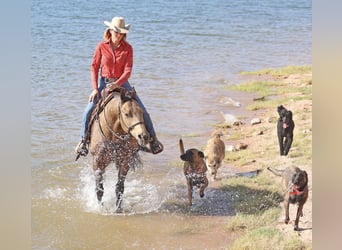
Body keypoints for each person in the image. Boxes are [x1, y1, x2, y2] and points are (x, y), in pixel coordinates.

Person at [75, 16, 163, 158]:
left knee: (142, 111)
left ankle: (153, 141)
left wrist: (118, 83)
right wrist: (94, 88)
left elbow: (128, 71)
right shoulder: (101, 46)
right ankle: (83, 141)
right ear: (110, 30)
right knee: (88, 110)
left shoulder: (128, 49)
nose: (118, 34)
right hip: (104, 82)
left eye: (121, 32)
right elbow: (94, 67)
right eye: (116, 31)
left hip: (123, 83)